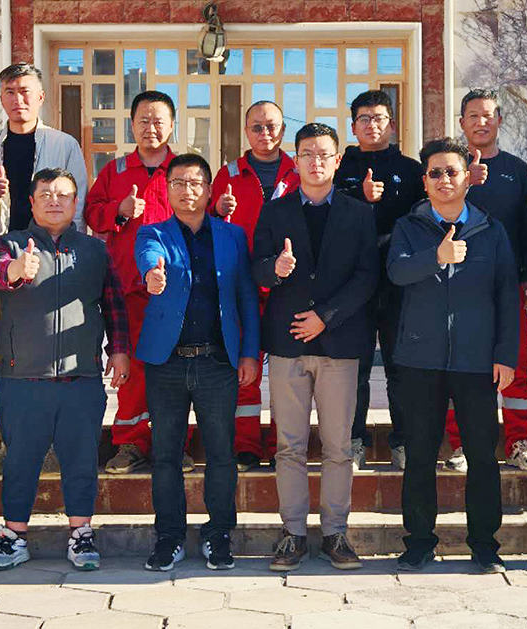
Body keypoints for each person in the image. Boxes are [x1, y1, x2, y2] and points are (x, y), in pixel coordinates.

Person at [0, 168, 129, 573]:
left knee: (81, 460)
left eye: (63, 194)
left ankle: (81, 533)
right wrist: (16, 271)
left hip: (81, 377)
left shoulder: (94, 250)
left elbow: (113, 304)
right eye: (45, 194)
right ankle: (13, 537)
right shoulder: (10, 244)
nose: (54, 200)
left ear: (75, 203)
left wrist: (119, 351)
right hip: (23, 378)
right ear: (31, 202)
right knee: (20, 461)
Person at [388, 137, 518, 573]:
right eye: (435, 173)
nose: (444, 180)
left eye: (452, 172)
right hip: (419, 359)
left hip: (476, 360)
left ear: (467, 178)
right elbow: (396, 271)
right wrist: (436, 256)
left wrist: (505, 354)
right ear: (425, 182)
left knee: (481, 456)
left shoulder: (491, 230)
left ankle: (484, 546)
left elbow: (506, 295)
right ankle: (419, 543)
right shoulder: (408, 227)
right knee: (420, 455)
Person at [253, 123, 378, 571]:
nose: (316, 162)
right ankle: (292, 534)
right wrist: (276, 268)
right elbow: (256, 269)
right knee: (289, 445)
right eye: (307, 154)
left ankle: (335, 533)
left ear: (337, 160)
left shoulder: (358, 213)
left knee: (338, 446)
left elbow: (367, 275)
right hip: (288, 344)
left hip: (339, 343)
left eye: (324, 154)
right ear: (296, 159)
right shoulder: (275, 211)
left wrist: (327, 315)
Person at [0, 63, 89, 477]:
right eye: (11, 92)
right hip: (2, 266)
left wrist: (66, 259)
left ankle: (53, 446)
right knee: (7, 359)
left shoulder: (64, 144)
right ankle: (10, 444)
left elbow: (78, 205)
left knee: (54, 356)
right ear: (2, 98)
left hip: (52, 266)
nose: (19, 99)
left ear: (41, 96)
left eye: (26, 91)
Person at [135, 153, 261, 571]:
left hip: (217, 363)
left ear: (208, 190)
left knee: (221, 454)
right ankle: (169, 536)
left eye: (195, 183)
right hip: (167, 364)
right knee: (166, 455)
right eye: (178, 183)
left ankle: (218, 532)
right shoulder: (153, 232)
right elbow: (149, 255)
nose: (186, 191)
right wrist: (153, 274)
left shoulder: (232, 236)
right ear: (167, 190)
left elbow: (246, 298)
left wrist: (249, 353)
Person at [445, 89, 527, 474]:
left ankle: (518, 441)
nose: (481, 122)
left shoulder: (516, 170)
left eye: (488, 115)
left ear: (499, 120)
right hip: (456, 286)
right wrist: (464, 182)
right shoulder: (448, 167)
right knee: (460, 367)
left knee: (515, 366)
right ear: (462, 123)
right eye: (473, 115)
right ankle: (462, 445)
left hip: (506, 287)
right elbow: (435, 214)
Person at [84, 90, 184, 475]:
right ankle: (129, 443)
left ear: (171, 125)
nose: (150, 127)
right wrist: (119, 210)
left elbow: (203, 215)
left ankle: (171, 444)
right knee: (132, 367)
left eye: (158, 120)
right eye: (143, 120)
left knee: (174, 367)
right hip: (128, 288)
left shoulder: (183, 170)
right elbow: (92, 214)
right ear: (131, 125)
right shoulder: (116, 171)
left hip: (175, 289)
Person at [333, 90, 425, 469]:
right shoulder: (339, 168)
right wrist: (360, 194)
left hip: (399, 284)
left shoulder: (412, 169)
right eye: (364, 119)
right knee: (353, 371)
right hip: (351, 284)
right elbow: (327, 211)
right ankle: (354, 441)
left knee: (400, 368)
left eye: (379, 118)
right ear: (353, 126)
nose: (372, 125)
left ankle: (404, 442)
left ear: (392, 124)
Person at [210, 100, 300, 470]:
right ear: (246, 132)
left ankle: (283, 445)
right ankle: (245, 445)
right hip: (241, 285)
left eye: (272, 126)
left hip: (288, 287)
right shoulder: (228, 174)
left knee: (286, 374)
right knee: (244, 369)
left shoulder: (298, 171)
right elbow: (208, 226)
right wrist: (218, 210)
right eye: (257, 127)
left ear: (283, 129)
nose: (265, 134)